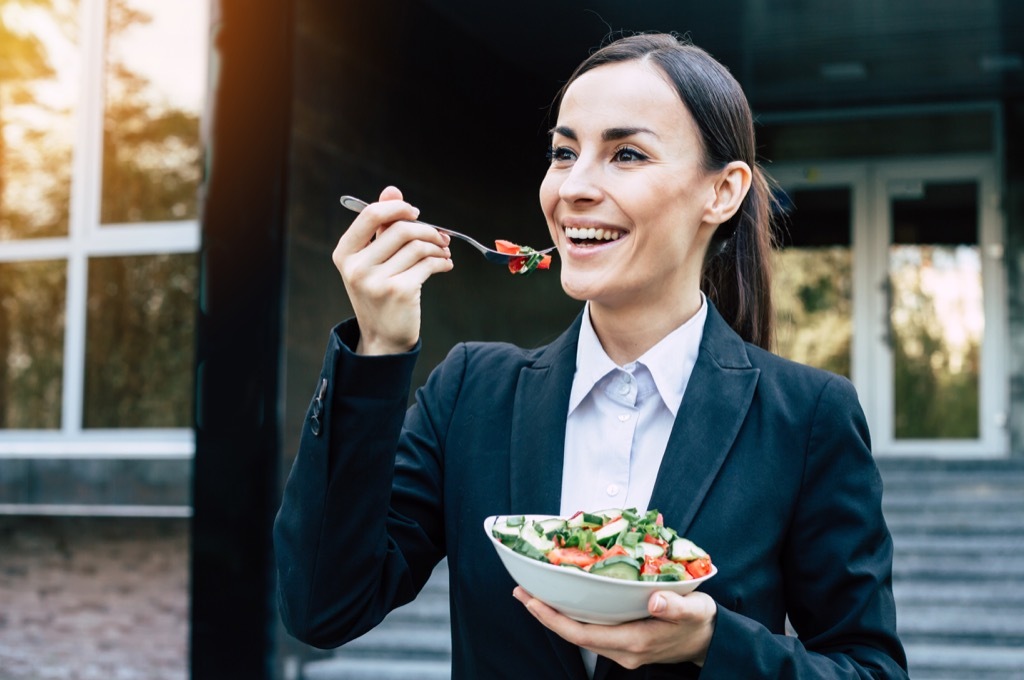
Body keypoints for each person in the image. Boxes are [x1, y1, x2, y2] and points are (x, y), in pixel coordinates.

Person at [274, 33, 909, 679]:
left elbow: (870, 668)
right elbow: (325, 606)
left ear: (722, 193)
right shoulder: (472, 393)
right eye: (563, 152)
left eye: (626, 154)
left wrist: (712, 644)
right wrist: (377, 348)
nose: (573, 187)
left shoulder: (806, 417)